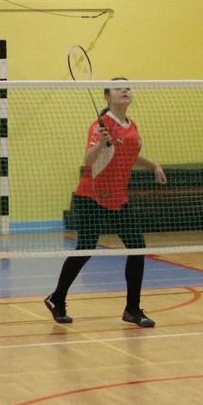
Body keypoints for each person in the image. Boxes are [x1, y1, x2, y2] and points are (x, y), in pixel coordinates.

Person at [44, 82, 167, 328]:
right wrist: (100, 143)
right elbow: (88, 160)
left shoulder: (132, 126)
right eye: (118, 88)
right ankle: (57, 298)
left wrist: (153, 165)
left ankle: (132, 309)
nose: (125, 91)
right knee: (86, 247)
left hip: (118, 198)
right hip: (91, 196)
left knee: (137, 247)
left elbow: (130, 154)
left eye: (128, 88)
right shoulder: (99, 126)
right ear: (107, 96)